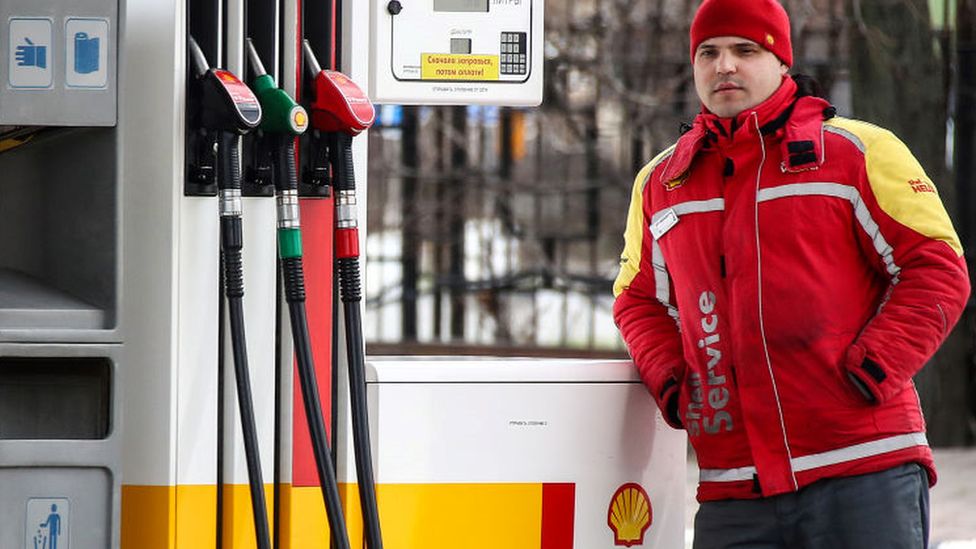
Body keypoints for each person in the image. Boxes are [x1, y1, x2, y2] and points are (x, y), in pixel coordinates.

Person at [612, 0, 970, 547]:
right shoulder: (662, 182)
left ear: (781, 61)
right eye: (708, 52)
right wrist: (677, 387)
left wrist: (873, 368)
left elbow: (937, 267)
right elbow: (637, 299)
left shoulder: (856, 153)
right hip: (734, 489)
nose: (723, 66)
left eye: (744, 50)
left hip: (863, 471)